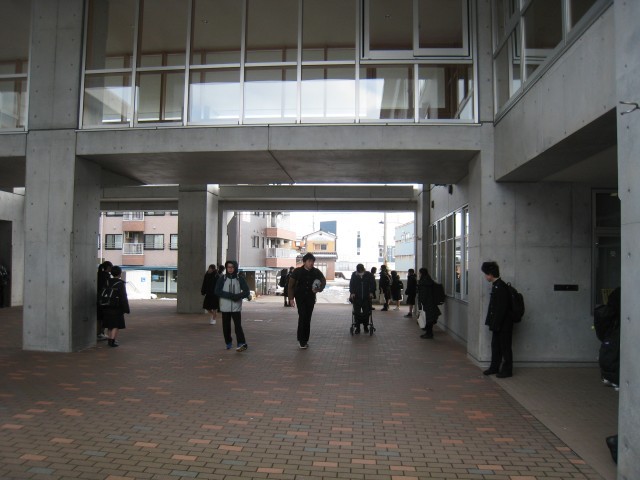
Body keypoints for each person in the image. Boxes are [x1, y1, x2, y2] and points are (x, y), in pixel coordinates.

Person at [481, 261, 513, 378]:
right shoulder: (497, 285)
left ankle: (507, 370)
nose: (485, 277)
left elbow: (501, 308)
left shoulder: (501, 287)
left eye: (486, 274)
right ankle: (494, 367)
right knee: (496, 346)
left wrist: (496, 323)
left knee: (505, 347)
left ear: (490, 274)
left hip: (503, 325)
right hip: (498, 324)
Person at [288, 253, 326, 349]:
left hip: (311, 298)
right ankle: (301, 340)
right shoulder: (297, 271)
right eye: (309, 261)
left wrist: (319, 289)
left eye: (312, 261)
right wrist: (291, 299)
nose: (311, 263)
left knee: (308, 318)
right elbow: (290, 286)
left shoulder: (316, 272)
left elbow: (323, 281)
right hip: (300, 298)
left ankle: (305, 340)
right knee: (302, 317)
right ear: (304, 262)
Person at [214, 260, 250, 352]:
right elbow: (217, 291)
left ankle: (241, 343)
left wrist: (238, 296)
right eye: (228, 267)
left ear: (235, 268)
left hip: (236, 307)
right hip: (225, 306)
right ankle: (228, 342)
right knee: (226, 326)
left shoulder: (239, 278)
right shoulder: (222, 278)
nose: (230, 269)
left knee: (238, 326)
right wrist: (230, 296)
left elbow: (246, 291)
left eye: (232, 267)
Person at [102, 266, 130, 347]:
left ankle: (109, 339)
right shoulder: (120, 283)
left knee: (109, 325)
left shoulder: (107, 281)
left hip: (106, 306)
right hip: (116, 307)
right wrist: (126, 308)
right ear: (120, 274)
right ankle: (112, 341)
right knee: (115, 325)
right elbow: (123, 297)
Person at [349, 264, 376, 333]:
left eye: (361, 271)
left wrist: (371, 292)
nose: (360, 273)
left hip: (366, 297)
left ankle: (365, 326)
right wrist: (352, 293)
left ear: (363, 269)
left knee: (366, 313)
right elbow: (351, 284)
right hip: (357, 297)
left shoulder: (369, 275)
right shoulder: (354, 275)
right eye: (359, 272)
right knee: (356, 313)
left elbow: (373, 284)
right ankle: (357, 328)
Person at [417, 268, 441, 339]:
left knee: (427, 318)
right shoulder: (430, 281)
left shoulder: (423, 283)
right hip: (431, 303)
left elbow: (423, 295)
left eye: (419, 273)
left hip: (426, 304)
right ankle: (428, 333)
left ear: (421, 273)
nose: (419, 274)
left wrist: (420, 304)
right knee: (429, 318)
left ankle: (429, 334)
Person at [96, 261, 112, 341]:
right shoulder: (106, 276)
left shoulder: (98, 274)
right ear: (108, 267)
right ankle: (100, 333)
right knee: (103, 317)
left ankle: (98, 333)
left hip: (97, 298)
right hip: (104, 299)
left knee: (98, 318)